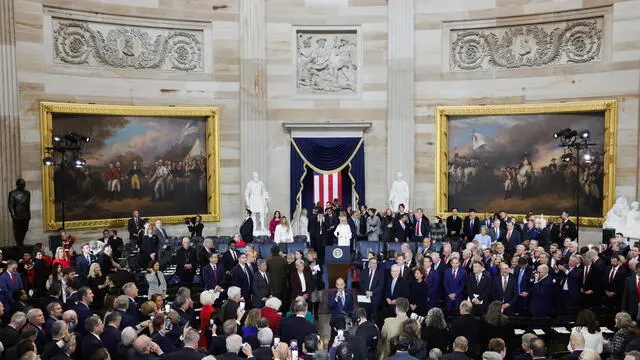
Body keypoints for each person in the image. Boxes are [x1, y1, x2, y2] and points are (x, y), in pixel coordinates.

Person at [360, 257, 384, 322]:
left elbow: (381, 286)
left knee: (376, 316)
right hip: (366, 297)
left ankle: (377, 329)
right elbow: (361, 283)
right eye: (372, 263)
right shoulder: (363, 272)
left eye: (375, 263)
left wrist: (372, 292)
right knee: (366, 315)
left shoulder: (380, 273)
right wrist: (366, 291)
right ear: (369, 264)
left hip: (376, 297)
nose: (374, 265)